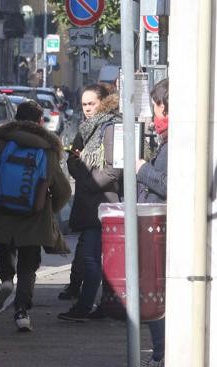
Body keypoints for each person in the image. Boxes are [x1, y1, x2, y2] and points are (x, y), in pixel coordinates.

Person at [0, 101, 72, 332]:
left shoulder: (2, 143)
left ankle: (6, 280)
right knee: (29, 265)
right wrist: (50, 210)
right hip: (33, 216)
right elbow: (64, 190)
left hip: (0, 211)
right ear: (41, 122)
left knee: (4, 249)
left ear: (16, 118)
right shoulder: (47, 150)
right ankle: (21, 311)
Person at [58, 84, 122, 322]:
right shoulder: (86, 129)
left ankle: (85, 306)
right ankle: (97, 305)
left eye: (91, 104)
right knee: (91, 257)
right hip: (90, 203)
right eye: (84, 104)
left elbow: (114, 170)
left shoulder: (110, 127)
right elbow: (73, 158)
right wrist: (79, 171)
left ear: (103, 102)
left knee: (92, 258)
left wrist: (87, 182)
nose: (87, 109)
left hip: (105, 203)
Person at [135, 78, 169, 367]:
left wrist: (142, 170)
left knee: (154, 292)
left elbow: (169, 184)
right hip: (158, 228)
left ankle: (160, 354)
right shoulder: (169, 140)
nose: (154, 115)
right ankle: (160, 352)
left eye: (156, 108)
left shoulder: (174, 142)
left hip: (161, 230)